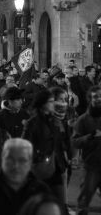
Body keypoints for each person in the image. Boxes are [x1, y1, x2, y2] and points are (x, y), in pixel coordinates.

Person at [0, 138, 51, 215]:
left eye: (22, 160)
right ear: (2, 159)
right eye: (10, 159)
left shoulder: (41, 191)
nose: (16, 166)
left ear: (30, 162)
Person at [23, 90, 71, 205]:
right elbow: (26, 145)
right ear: (42, 104)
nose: (53, 104)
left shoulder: (54, 120)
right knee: (41, 204)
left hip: (57, 167)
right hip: (41, 169)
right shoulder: (32, 123)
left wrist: (65, 158)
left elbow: (60, 142)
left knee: (60, 203)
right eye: (50, 101)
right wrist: (37, 159)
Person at [72, 85, 101, 215]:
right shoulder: (82, 120)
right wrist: (90, 137)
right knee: (84, 200)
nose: (99, 99)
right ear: (90, 99)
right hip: (92, 165)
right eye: (95, 97)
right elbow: (75, 142)